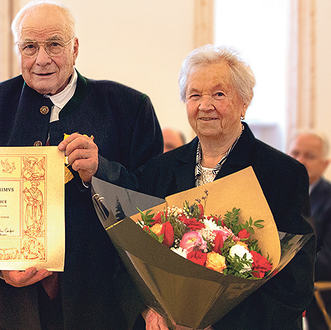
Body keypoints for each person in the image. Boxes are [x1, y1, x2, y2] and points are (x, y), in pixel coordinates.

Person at [0, 0, 163, 330]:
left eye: (54, 44)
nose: (42, 59)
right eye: (30, 46)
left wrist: (102, 171)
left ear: (75, 48)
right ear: (18, 50)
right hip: (9, 304)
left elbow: (153, 206)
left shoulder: (129, 108)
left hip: (99, 301)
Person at [135, 45, 316, 329]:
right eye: (195, 95)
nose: (205, 105)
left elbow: (296, 280)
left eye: (219, 94)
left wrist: (216, 323)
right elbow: (135, 256)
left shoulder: (282, 173)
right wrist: (150, 309)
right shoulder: (160, 169)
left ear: (245, 101)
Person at [288, 130, 331, 330]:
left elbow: (327, 258)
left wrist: (287, 271)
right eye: (295, 153)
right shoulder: (279, 194)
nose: (300, 160)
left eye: (309, 156)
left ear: (325, 164)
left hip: (318, 300)